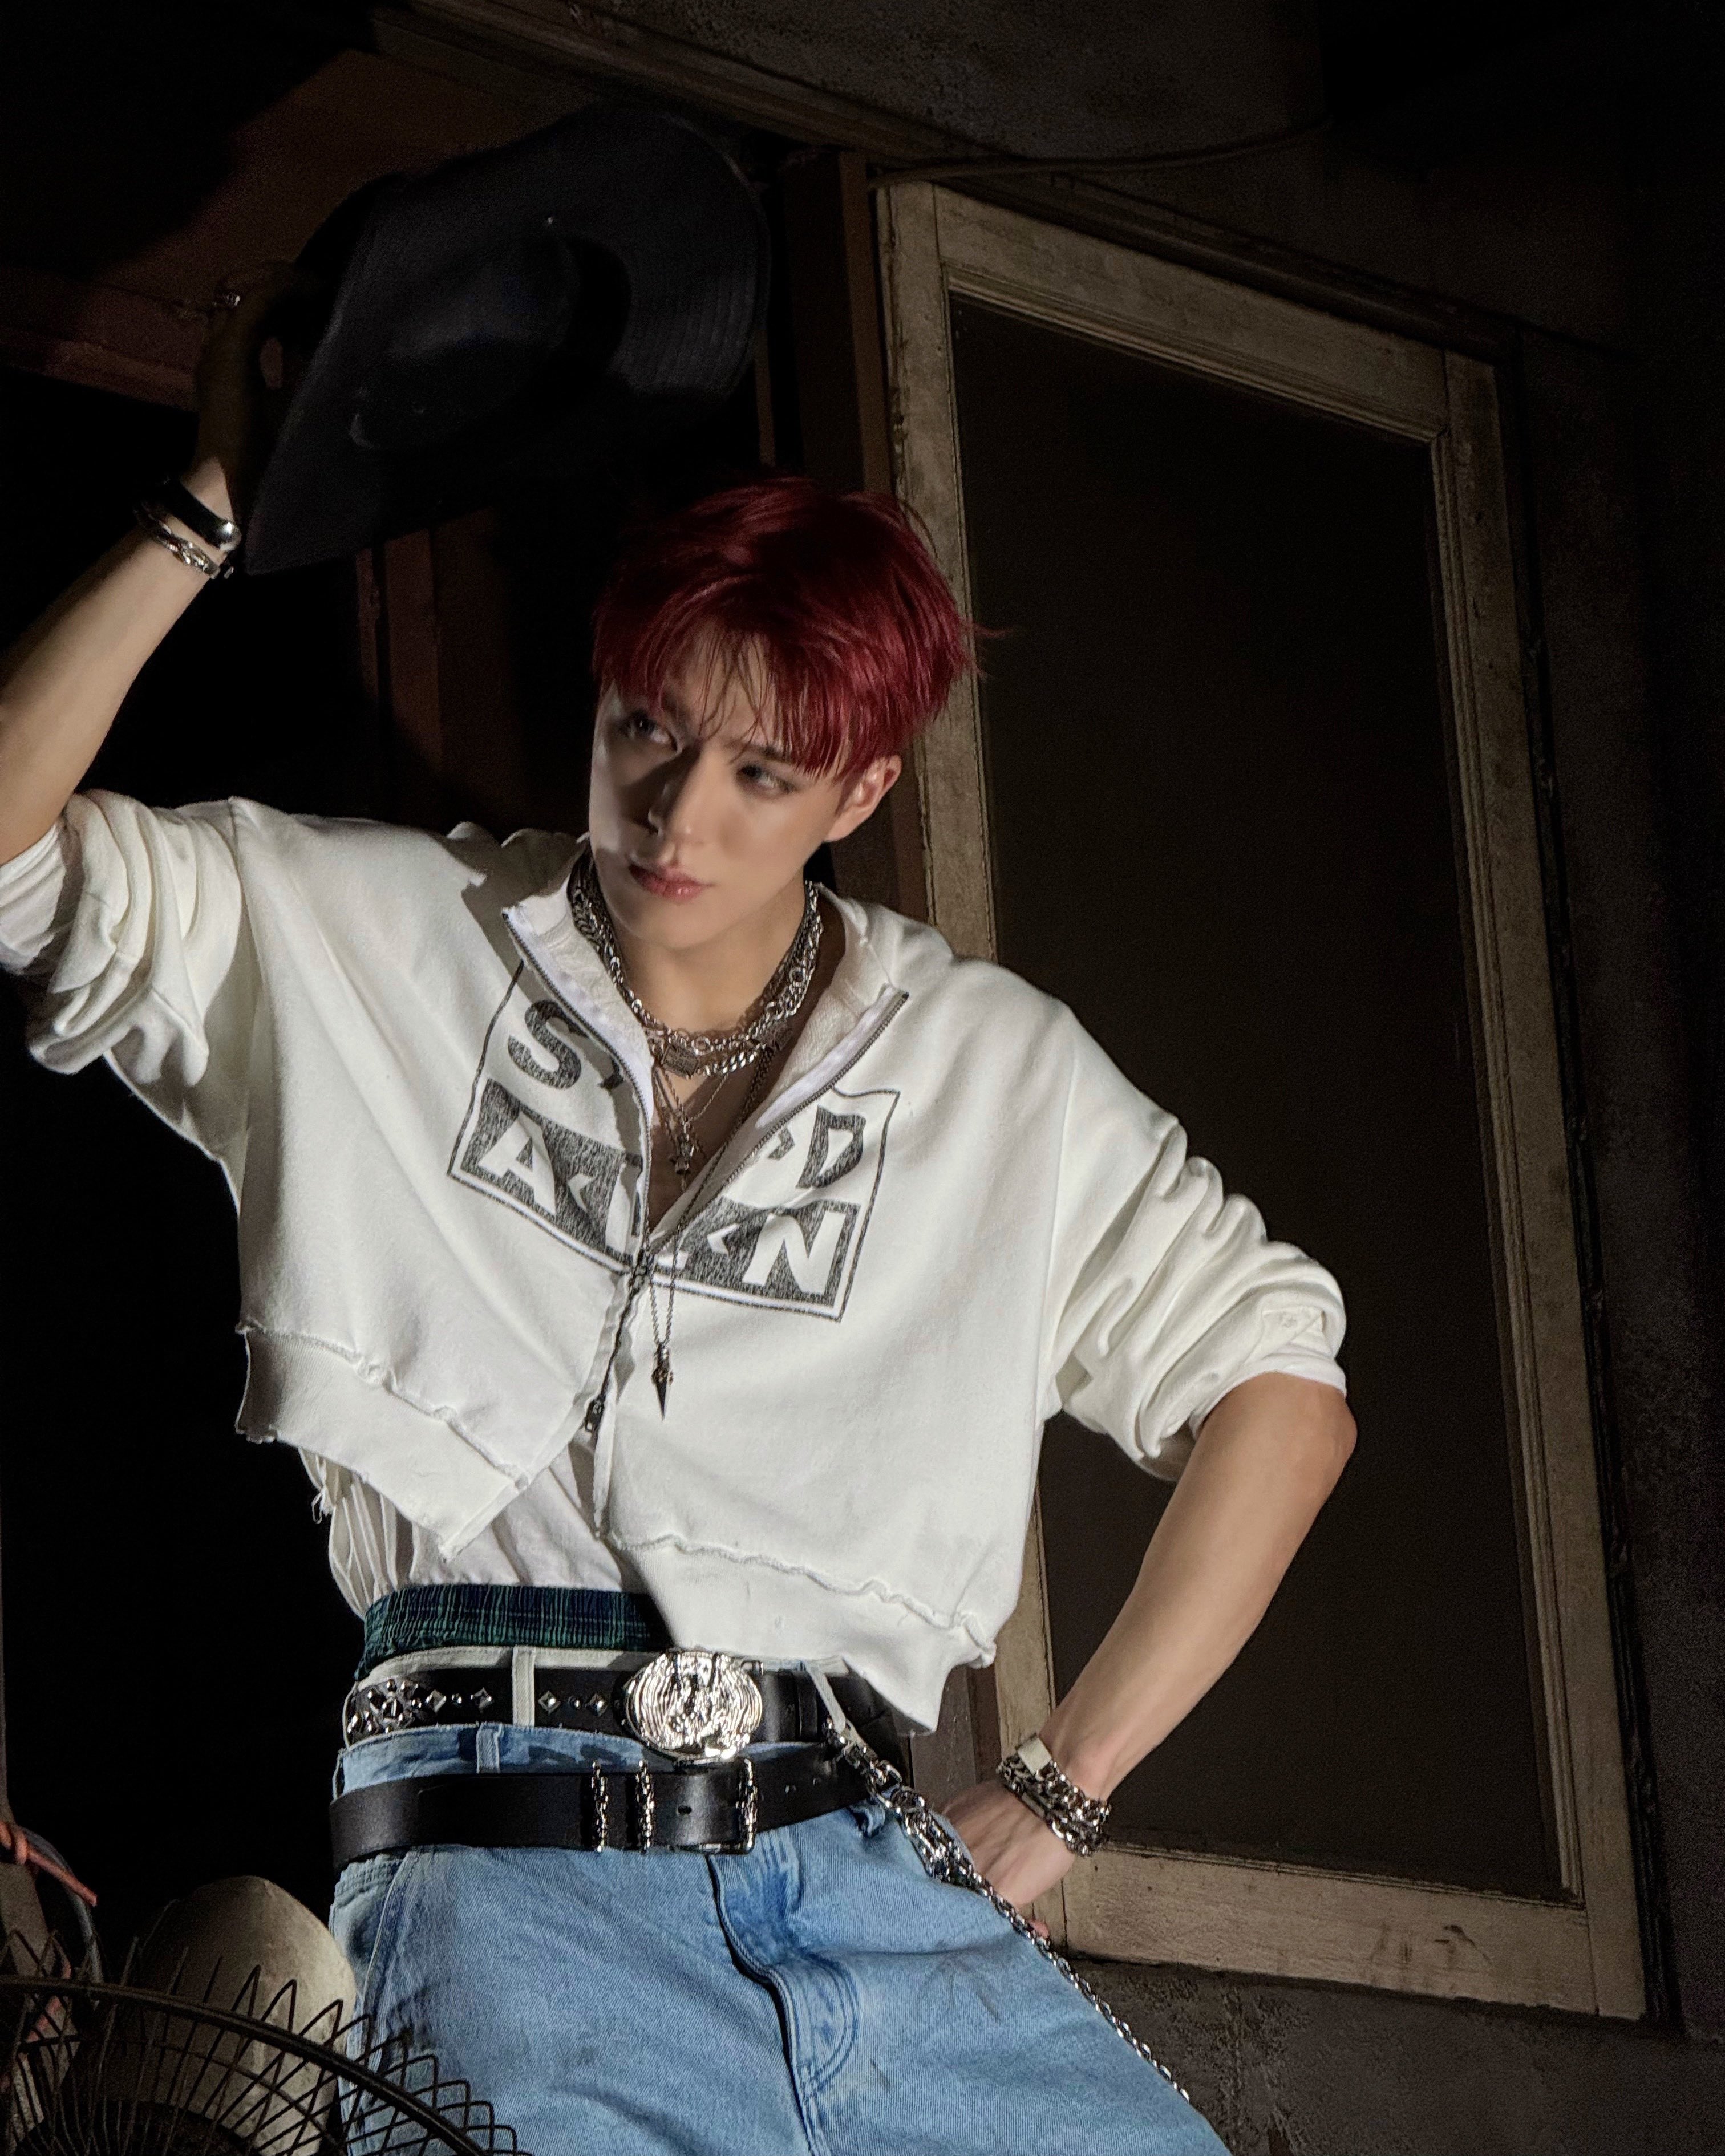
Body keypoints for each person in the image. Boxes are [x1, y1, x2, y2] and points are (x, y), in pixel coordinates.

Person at [0, 278, 1354, 2156]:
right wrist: (203, 512)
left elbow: (1281, 1391)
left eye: (760, 773)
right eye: (646, 726)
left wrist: (1062, 1789)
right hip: (507, 1874)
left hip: (865, 1871)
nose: (675, 813)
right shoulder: (369, 937)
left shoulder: (993, 1073)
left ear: (861, 787)